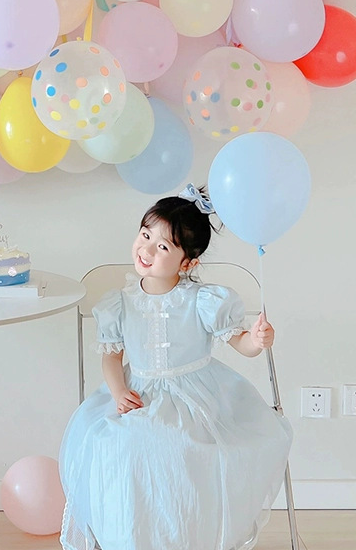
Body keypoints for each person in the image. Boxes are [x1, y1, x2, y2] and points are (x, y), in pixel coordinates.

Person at [59, 185, 292, 550]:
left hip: (197, 396)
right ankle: (132, 536)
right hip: (138, 391)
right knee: (122, 443)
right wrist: (119, 392)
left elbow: (241, 344)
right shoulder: (119, 303)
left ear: (188, 263)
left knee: (184, 446)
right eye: (145, 235)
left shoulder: (202, 301)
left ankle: (188, 534)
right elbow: (111, 356)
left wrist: (258, 340)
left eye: (164, 246)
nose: (147, 250)